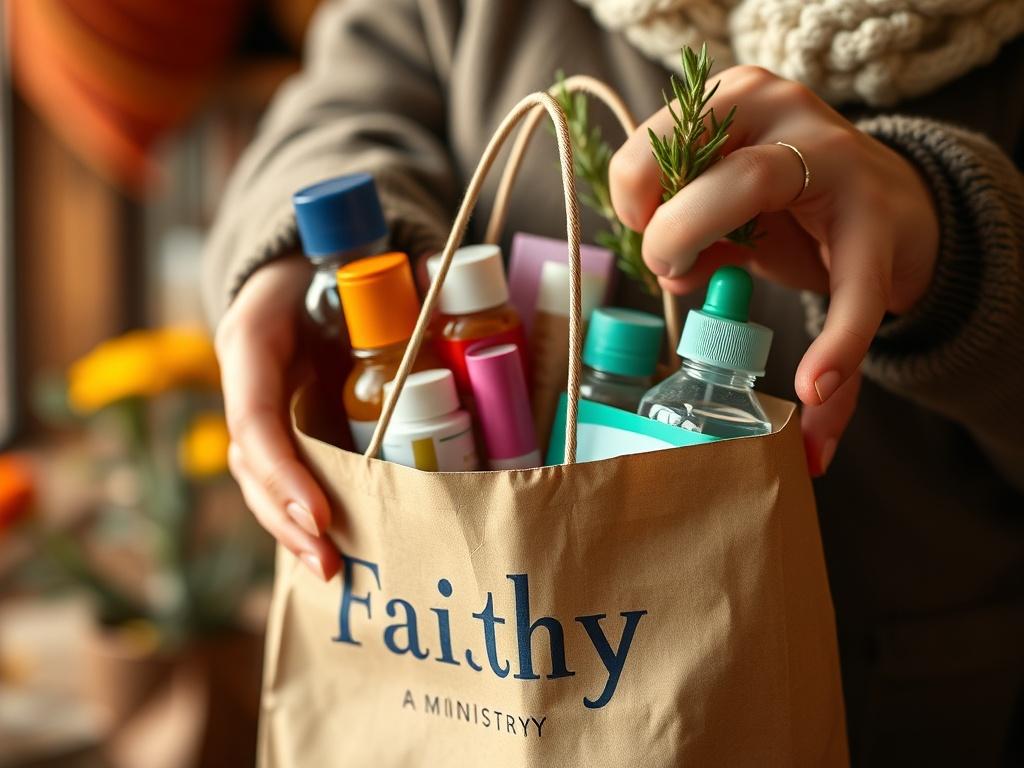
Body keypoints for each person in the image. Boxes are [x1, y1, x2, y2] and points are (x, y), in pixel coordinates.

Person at [203, 0, 1024, 763]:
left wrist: (963, 261)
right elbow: (342, 101)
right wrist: (303, 268)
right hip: (437, 698)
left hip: (901, 702)